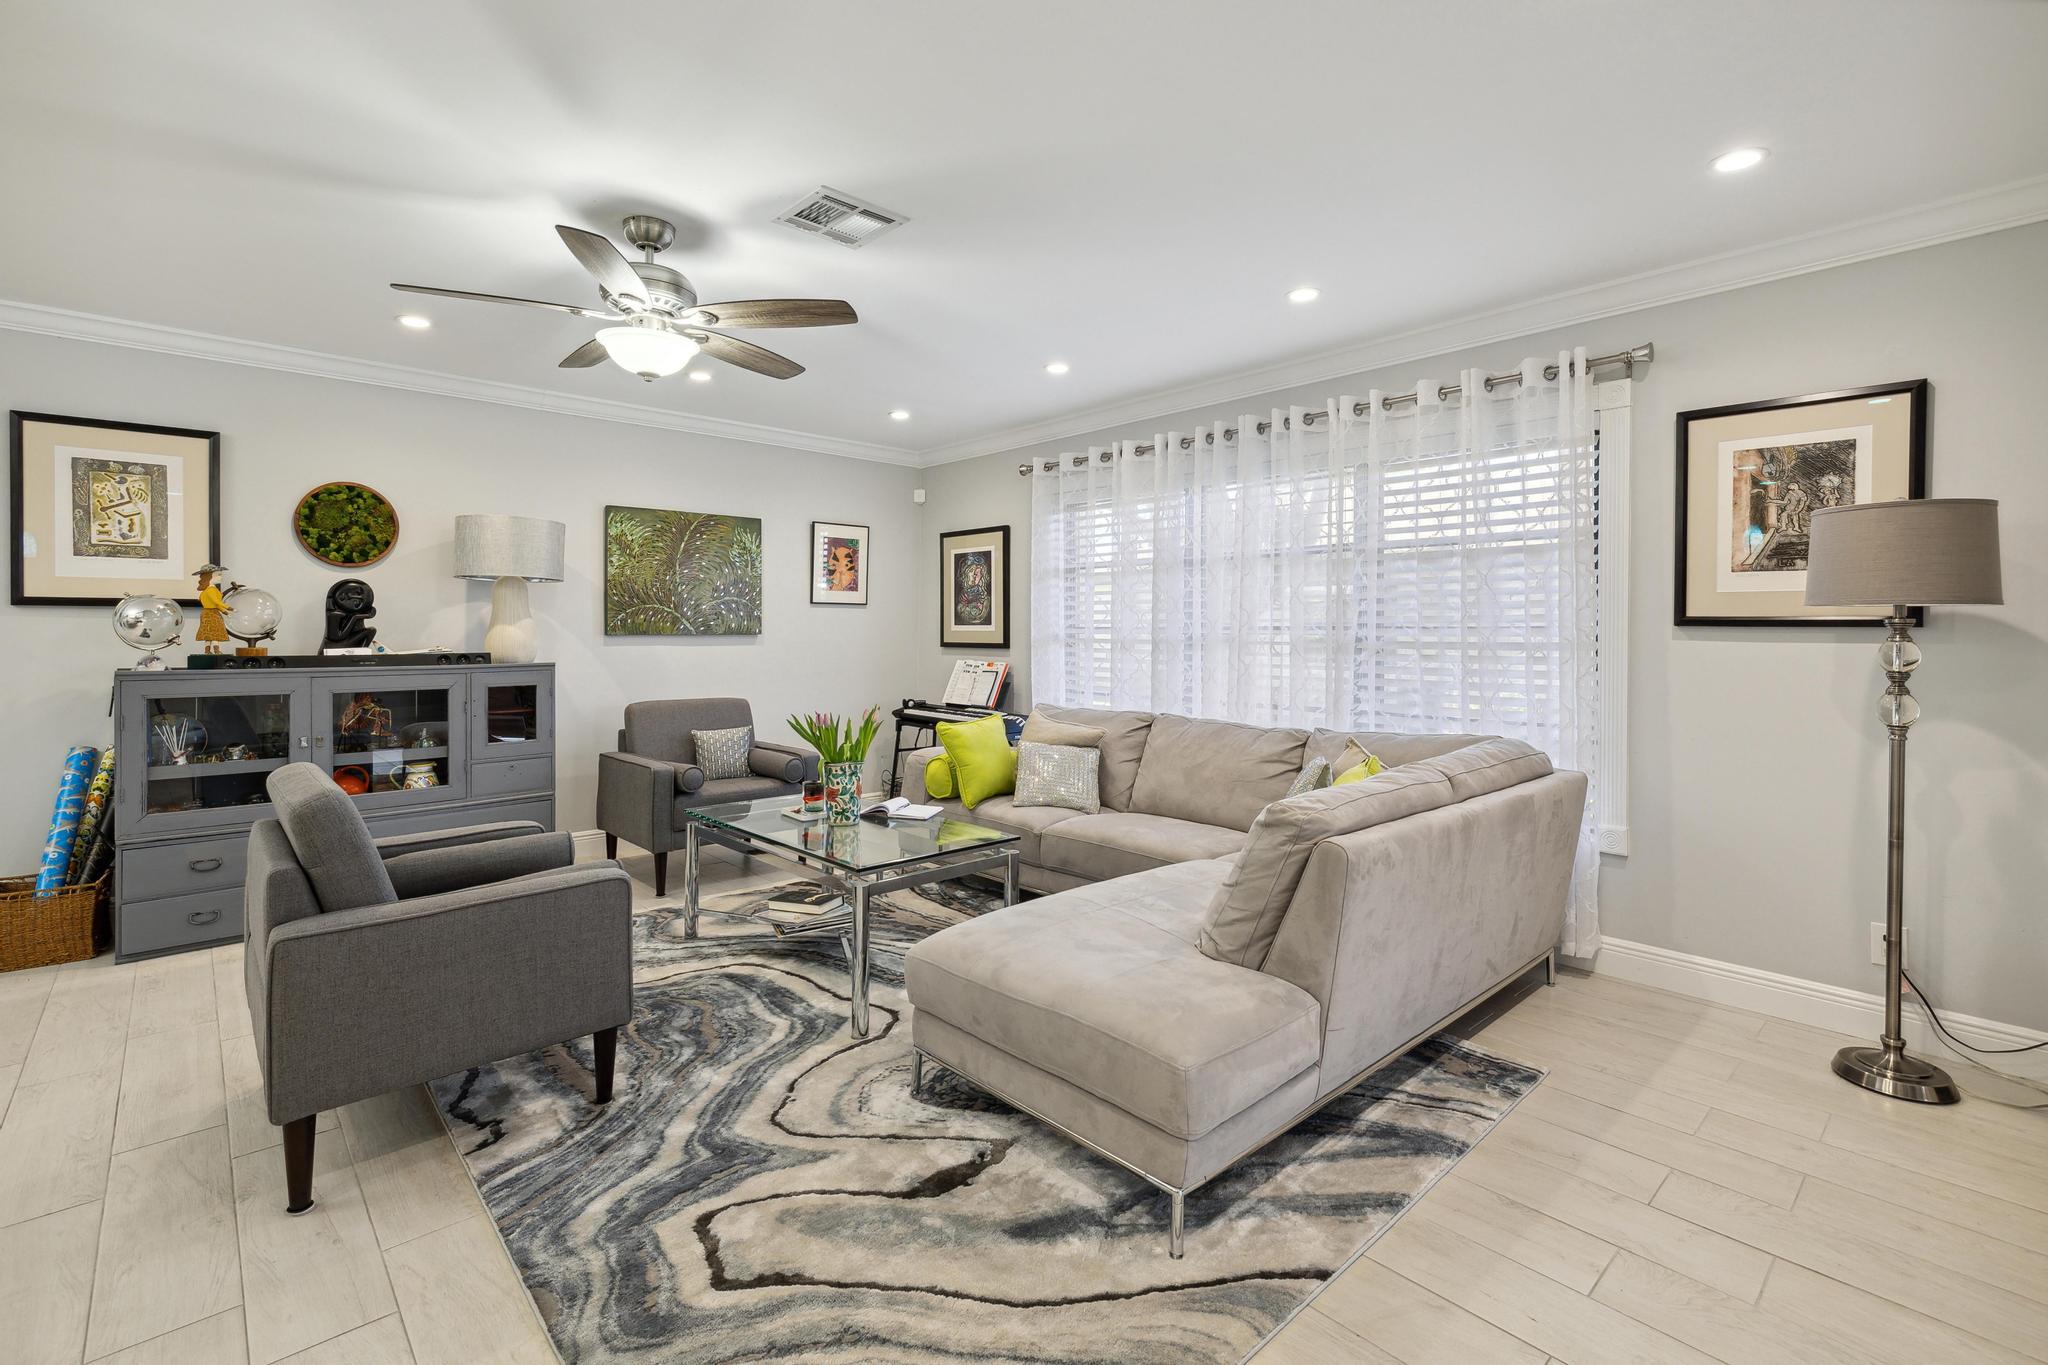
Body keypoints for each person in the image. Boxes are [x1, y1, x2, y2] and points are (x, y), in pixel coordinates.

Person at [193, 563, 232, 655]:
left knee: (209, 634)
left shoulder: (210, 590)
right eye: (218, 575)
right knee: (214, 634)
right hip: (211, 614)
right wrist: (229, 608)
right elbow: (217, 602)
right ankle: (216, 651)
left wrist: (224, 612)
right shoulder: (211, 590)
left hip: (210, 612)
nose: (220, 577)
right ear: (210, 576)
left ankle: (207, 651)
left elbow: (215, 604)